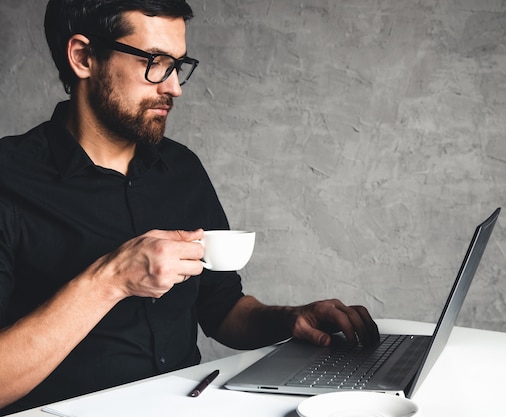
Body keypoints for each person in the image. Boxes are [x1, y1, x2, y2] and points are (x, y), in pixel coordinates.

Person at [0, 1, 379, 414]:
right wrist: (112, 279)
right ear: (83, 57)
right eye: (156, 63)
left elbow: (222, 310)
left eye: (178, 65)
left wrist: (290, 319)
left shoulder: (181, 169)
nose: (174, 87)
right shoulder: (8, 179)